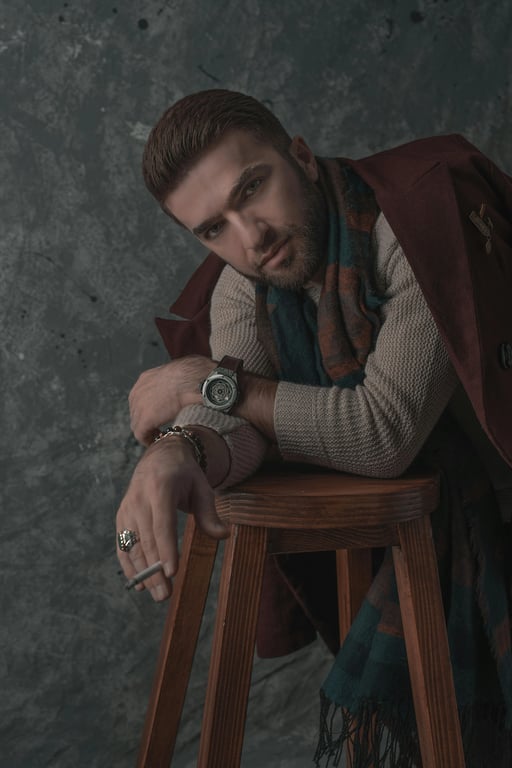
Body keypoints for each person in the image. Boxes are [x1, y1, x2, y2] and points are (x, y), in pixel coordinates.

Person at [116, 90, 512, 766]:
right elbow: (240, 422)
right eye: (215, 229)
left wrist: (206, 383)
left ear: (298, 155)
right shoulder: (250, 276)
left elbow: (380, 433)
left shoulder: (417, 220)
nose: (250, 236)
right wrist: (175, 453)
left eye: (253, 189)